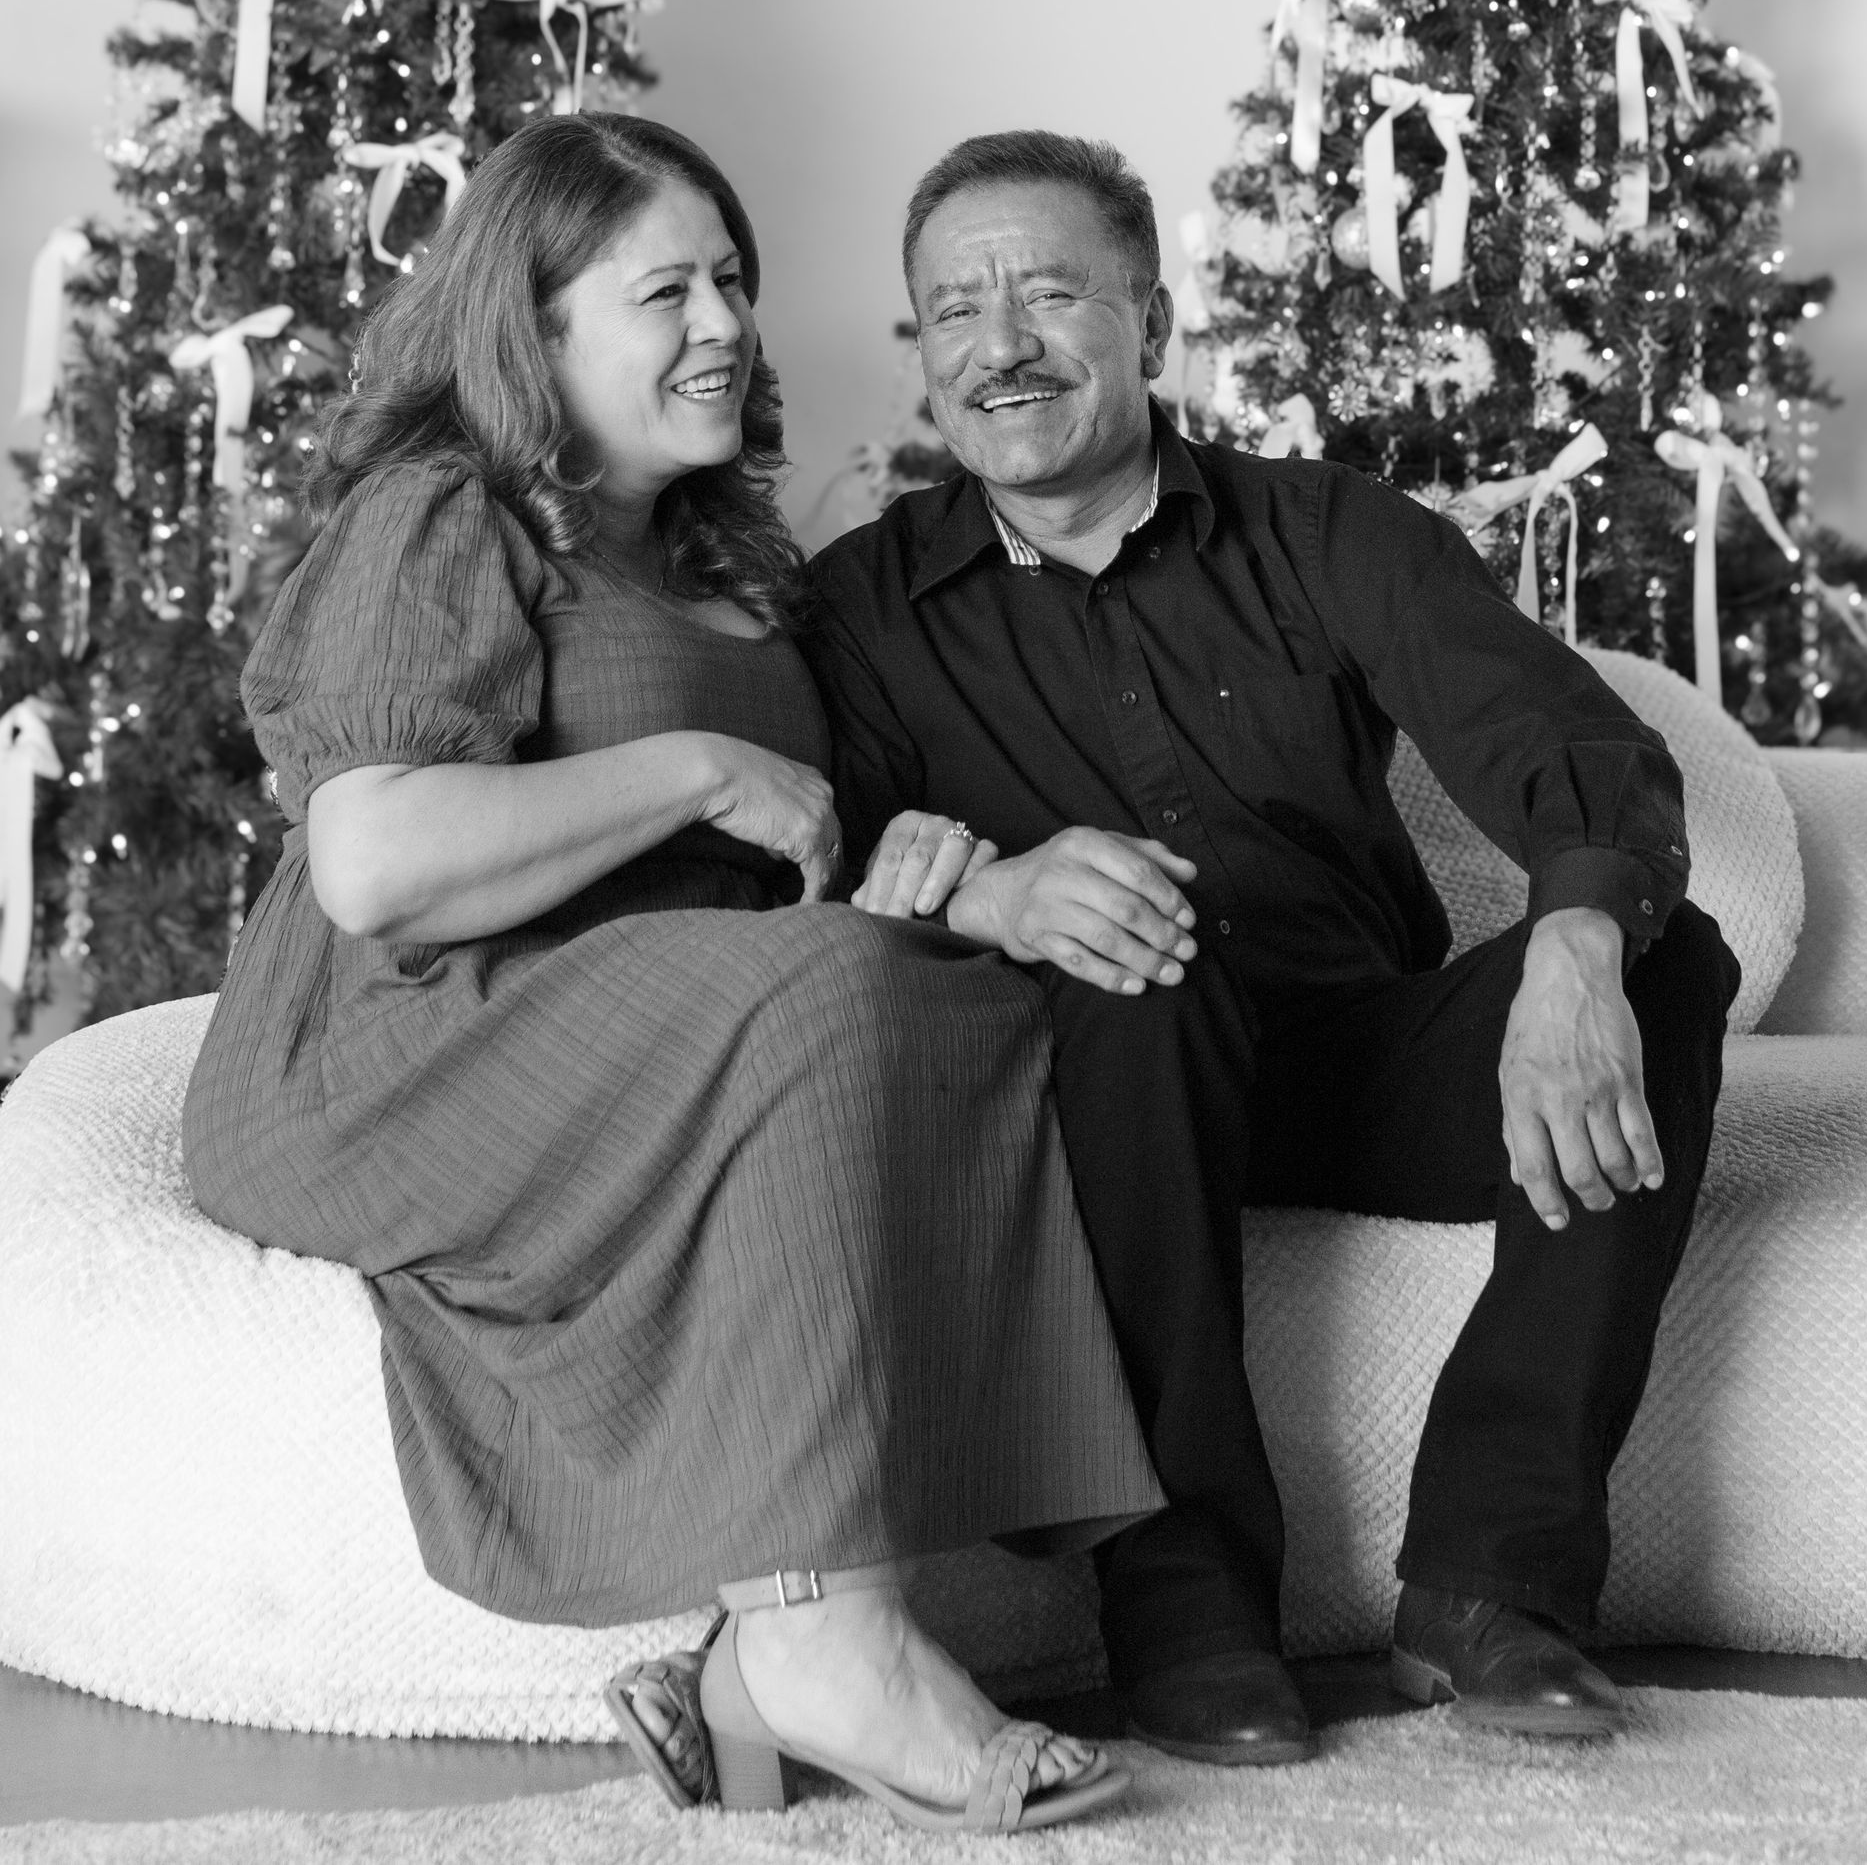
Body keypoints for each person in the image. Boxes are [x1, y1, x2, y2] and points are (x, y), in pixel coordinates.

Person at [183, 113, 1163, 1836]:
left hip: (660, 1011)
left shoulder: (733, 558)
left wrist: (959, 886)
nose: (725, 325)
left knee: (952, 992)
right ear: (534, 330)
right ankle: (830, 1640)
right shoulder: (446, 513)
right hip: (407, 1039)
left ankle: (753, 1678)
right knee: (829, 988)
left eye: (732, 282)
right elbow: (376, 861)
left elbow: (805, 855)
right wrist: (697, 772)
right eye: (666, 294)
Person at [802, 129, 1742, 1766]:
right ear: (927, 356)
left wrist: (1576, 948)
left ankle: (1491, 1586)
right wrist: (988, 894)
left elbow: (1565, 742)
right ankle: (1187, 1616)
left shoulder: (1327, 532)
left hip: (1356, 1061)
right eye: (956, 310)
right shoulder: (858, 613)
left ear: (1154, 326)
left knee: (1667, 958)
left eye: (1051, 295)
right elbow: (825, 878)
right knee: (1131, 974)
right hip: (1107, 1104)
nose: (1001, 343)